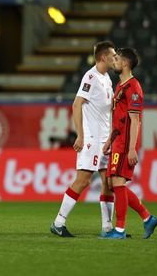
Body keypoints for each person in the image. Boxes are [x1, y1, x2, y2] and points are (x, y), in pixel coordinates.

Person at [51, 41, 116, 238]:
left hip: (104, 140)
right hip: (92, 139)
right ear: (103, 57)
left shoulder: (107, 79)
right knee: (83, 180)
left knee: (109, 182)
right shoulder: (91, 77)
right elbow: (76, 104)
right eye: (113, 55)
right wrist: (81, 134)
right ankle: (58, 222)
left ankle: (107, 228)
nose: (115, 59)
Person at [102, 47, 157, 239]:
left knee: (117, 183)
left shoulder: (134, 88)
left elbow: (135, 120)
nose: (114, 61)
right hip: (117, 141)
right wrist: (110, 140)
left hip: (125, 143)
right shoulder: (120, 86)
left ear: (125, 63)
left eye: (117, 59)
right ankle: (147, 218)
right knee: (113, 184)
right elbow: (118, 118)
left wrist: (132, 148)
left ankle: (119, 229)